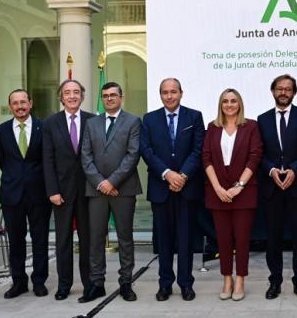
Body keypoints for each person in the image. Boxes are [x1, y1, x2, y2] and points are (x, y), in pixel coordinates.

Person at [139, 78, 205, 302]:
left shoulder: (194, 117)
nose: (169, 96)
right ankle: (165, 284)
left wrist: (183, 175)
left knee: (186, 240)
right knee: (164, 240)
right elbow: (146, 151)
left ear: (181, 93)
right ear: (160, 95)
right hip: (161, 187)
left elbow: (198, 150)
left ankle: (186, 284)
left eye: (173, 92)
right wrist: (167, 173)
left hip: (187, 188)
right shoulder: (149, 119)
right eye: (165, 92)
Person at [257, 74, 297, 300]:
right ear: (272, 91)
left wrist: (295, 170)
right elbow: (258, 153)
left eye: (288, 89)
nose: (283, 92)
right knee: (273, 238)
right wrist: (272, 170)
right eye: (279, 89)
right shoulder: (261, 120)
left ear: (294, 92)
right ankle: (275, 282)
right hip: (272, 187)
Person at [80, 82, 142, 303]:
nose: (109, 99)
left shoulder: (133, 121)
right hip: (96, 190)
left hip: (123, 189)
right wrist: (101, 182)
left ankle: (126, 283)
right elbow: (85, 156)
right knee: (96, 238)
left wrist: (113, 181)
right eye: (105, 96)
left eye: (113, 95)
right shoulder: (91, 123)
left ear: (121, 97)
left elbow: (132, 155)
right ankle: (97, 284)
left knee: (125, 237)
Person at [202, 88, 263, 301]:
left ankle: (240, 280)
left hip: (243, 192)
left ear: (240, 104)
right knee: (223, 240)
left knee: (242, 240)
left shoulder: (251, 127)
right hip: (217, 192)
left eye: (233, 101)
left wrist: (239, 185)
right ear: (221, 104)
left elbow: (254, 158)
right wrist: (217, 187)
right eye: (225, 101)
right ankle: (226, 279)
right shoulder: (212, 127)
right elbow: (206, 158)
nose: (229, 104)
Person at [0, 89, 51, 299]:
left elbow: (47, 159)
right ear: (10, 106)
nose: (20, 106)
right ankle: (18, 282)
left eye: (23, 102)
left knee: (40, 239)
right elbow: (2, 160)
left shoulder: (43, 128)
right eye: (15, 103)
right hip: (12, 194)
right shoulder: (1, 131)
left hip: (39, 193)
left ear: (31, 103)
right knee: (16, 241)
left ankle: (39, 282)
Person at [42, 79, 94, 301]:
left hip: (88, 191)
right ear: (61, 97)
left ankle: (90, 283)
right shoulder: (50, 123)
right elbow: (47, 159)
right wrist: (52, 190)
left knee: (87, 241)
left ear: (82, 96)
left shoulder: (93, 120)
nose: (72, 96)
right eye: (67, 93)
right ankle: (64, 285)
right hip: (61, 193)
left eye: (76, 92)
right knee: (63, 241)